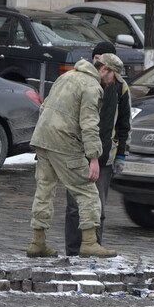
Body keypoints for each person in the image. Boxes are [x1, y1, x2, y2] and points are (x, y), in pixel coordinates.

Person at [27, 53, 124, 258]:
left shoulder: (67, 77)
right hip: (65, 142)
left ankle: (38, 242)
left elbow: (44, 106)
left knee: (44, 190)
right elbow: (89, 124)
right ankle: (89, 242)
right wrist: (94, 158)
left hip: (43, 138)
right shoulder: (92, 86)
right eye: (114, 77)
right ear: (105, 69)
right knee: (87, 191)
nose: (113, 82)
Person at [64, 42, 131, 255]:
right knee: (75, 207)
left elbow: (124, 124)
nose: (99, 62)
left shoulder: (120, 88)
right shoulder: (79, 81)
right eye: (97, 57)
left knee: (98, 207)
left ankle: (95, 248)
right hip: (77, 155)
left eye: (104, 59)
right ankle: (73, 252)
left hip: (105, 158)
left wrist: (121, 155)